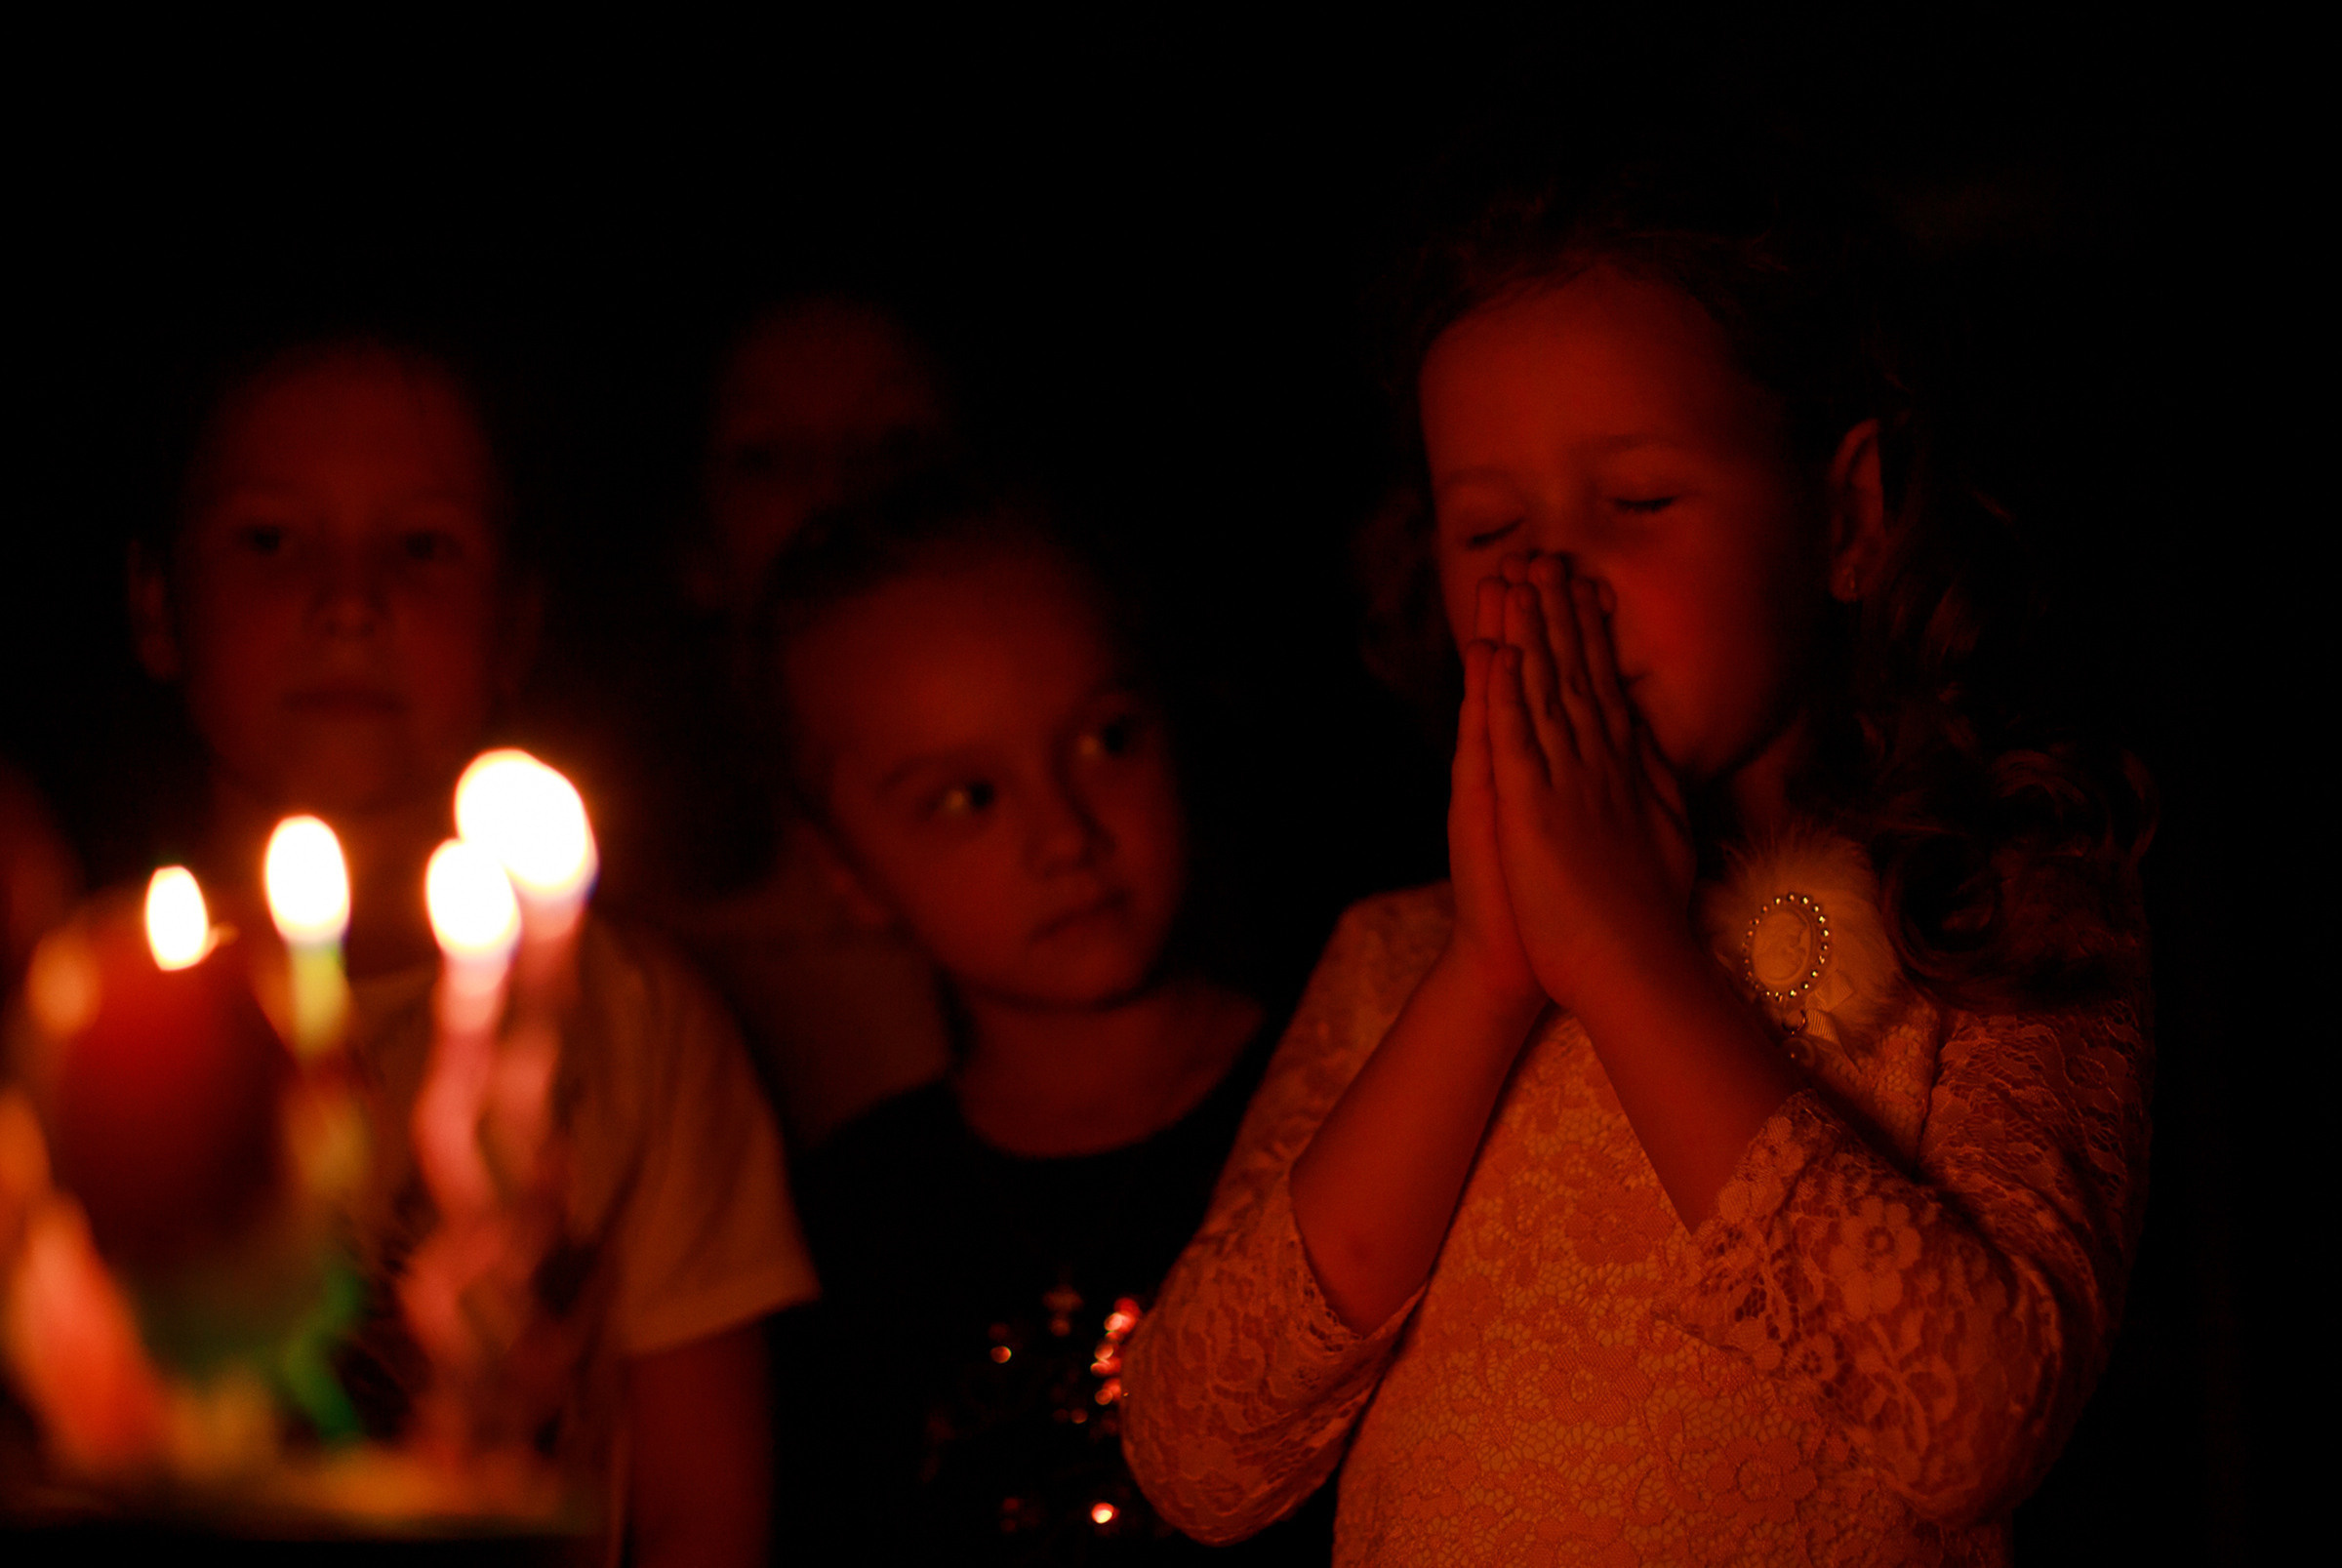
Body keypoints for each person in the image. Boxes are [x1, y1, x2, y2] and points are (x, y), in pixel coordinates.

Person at [1120, 154, 2154, 1566]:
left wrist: (1624, 955)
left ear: (1844, 517)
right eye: (1492, 530)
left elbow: (1972, 1424)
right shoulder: (1391, 958)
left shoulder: (1994, 917)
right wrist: (1492, 972)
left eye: (1638, 502)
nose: (1554, 582)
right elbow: (1194, 1451)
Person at [112, 338, 813, 1564]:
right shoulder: (88, 1007)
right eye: (271, 539)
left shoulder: (638, 1022)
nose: (350, 596)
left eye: (423, 545)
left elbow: (708, 1510)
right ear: (156, 604)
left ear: (517, 627)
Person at [762, 480, 1332, 1564]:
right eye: (967, 797)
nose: (1066, 832)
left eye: (1106, 738)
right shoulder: (848, 1223)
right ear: (843, 868)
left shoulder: (1349, 1084)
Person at [652, 296, 960, 1156]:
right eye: (768, 459)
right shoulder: (622, 938)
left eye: (894, 446)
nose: (836, 492)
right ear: (693, 544)